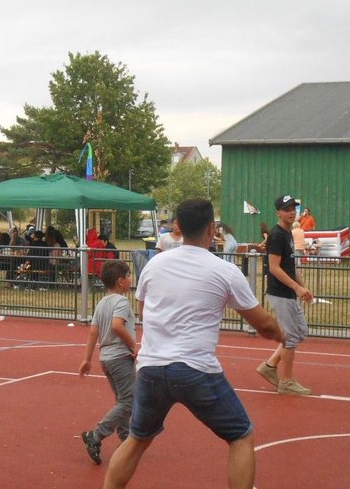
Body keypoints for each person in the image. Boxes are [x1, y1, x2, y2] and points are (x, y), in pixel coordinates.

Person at [102, 198, 284, 489]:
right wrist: (282, 334)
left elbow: (142, 312)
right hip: (194, 369)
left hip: (150, 368)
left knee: (137, 440)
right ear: (212, 229)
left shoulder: (154, 264)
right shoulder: (224, 270)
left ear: (178, 227)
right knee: (240, 435)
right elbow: (263, 325)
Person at [78, 260, 136, 465]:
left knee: (122, 399)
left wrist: (87, 359)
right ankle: (96, 435)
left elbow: (94, 331)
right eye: (129, 276)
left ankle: (126, 438)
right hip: (120, 357)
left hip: (106, 358)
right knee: (129, 400)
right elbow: (117, 326)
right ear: (121, 281)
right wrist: (133, 347)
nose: (131, 280)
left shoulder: (102, 303)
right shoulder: (121, 302)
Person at [256, 194, 314, 395]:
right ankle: (287, 381)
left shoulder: (289, 233)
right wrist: (297, 288)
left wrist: (303, 286)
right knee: (290, 338)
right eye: (287, 209)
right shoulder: (276, 235)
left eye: (293, 208)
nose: (291, 212)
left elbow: (290, 265)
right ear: (277, 213)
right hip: (280, 293)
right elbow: (274, 268)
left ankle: (270, 366)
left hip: (289, 292)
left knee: (300, 333)